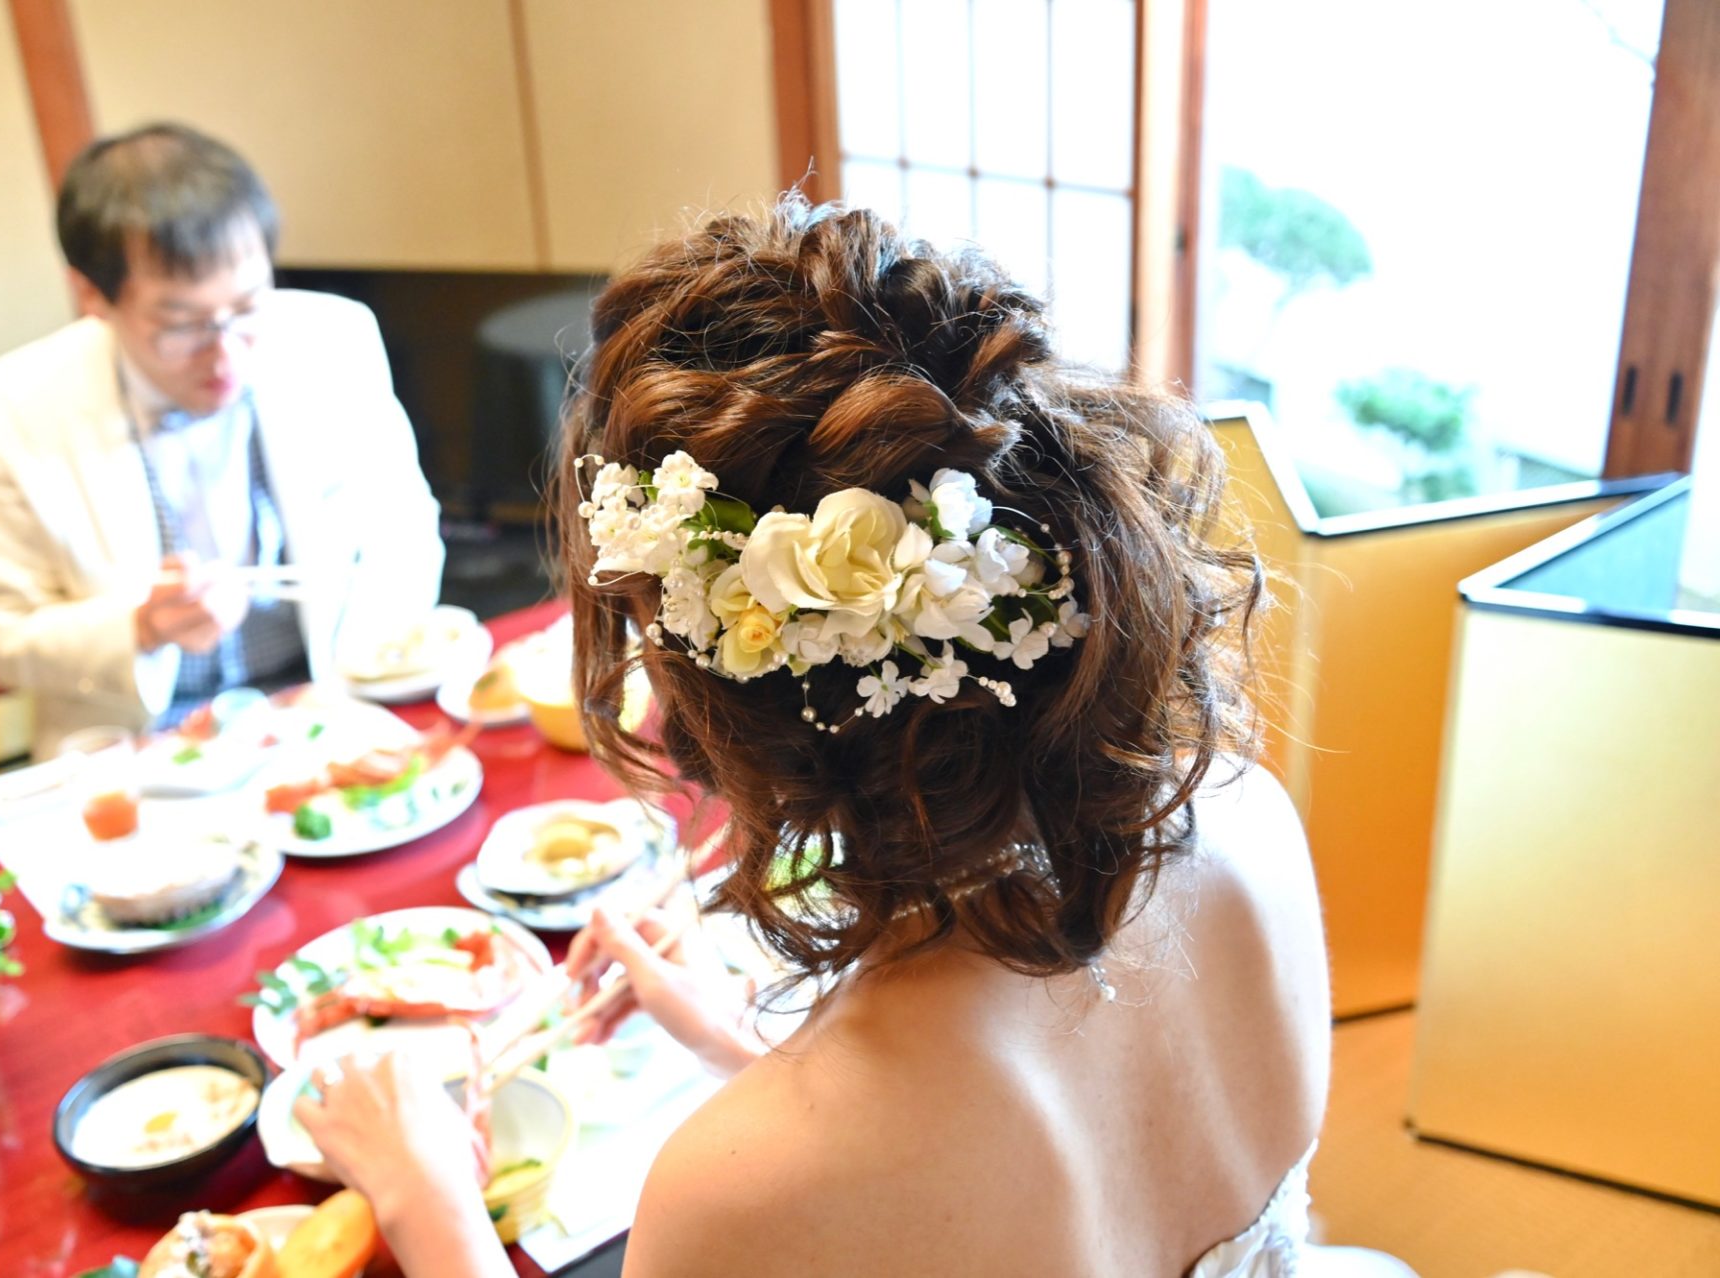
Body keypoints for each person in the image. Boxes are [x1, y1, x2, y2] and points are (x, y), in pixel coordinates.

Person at [297, 199, 1409, 1276]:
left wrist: (427, 1199)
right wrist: (749, 1051)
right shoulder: (1246, 813)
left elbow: (906, 1177)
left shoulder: (746, 1181)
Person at [0, 123, 442, 757]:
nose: (226, 354)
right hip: (143, 747)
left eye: (248, 307)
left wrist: (346, 692)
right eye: (181, 325)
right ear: (92, 294)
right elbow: (5, 638)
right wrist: (141, 628)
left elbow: (404, 529)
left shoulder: (335, 339)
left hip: (333, 705)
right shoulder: (2, 418)